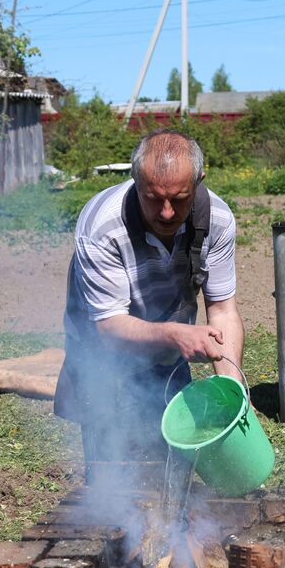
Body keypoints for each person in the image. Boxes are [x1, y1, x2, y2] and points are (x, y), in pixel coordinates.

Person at [55, 129, 244, 475]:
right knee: (115, 473)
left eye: (180, 198)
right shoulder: (102, 226)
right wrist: (177, 335)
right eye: (153, 198)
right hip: (104, 355)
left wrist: (233, 394)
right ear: (135, 180)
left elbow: (222, 311)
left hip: (168, 344)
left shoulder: (217, 219)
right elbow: (109, 327)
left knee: (177, 464)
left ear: (200, 180)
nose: (167, 213)